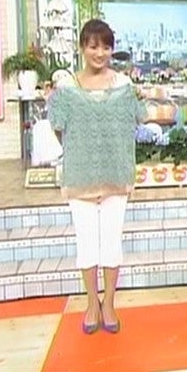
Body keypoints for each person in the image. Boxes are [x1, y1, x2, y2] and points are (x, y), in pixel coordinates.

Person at [47, 19, 146, 334]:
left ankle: (110, 303)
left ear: (112, 50)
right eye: (93, 46)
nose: (99, 53)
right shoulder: (67, 89)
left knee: (112, 245)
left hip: (116, 175)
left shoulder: (124, 86)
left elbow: (139, 118)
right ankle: (92, 303)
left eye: (105, 46)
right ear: (82, 48)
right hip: (80, 178)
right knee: (87, 245)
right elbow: (58, 127)